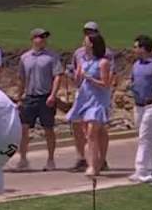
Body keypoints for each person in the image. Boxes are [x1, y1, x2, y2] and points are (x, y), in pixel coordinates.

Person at [64, 31, 113, 177]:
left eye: (85, 41)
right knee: (95, 131)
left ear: (92, 44)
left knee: (92, 131)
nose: (83, 44)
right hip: (85, 99)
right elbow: (78, 82)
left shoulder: (103, 62)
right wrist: (76, 76)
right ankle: (97, 160)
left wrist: (90, 78)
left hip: (98, 100)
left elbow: (105, 84)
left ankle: (93, 165)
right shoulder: (83, 61)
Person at [15, 28, 63, 171]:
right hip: (29, 97)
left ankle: (51, 160)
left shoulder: (52, 56)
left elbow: (58, 76)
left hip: (45, 97)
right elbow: (21, 78)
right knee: (23, 128)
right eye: (40, 37)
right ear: (33, 39)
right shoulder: (25, 58)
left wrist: (53, 95)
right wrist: (19, 97)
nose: (42, 40)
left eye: (44, 37)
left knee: (48, 128)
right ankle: (23, 159)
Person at [67, 22, 102, 172]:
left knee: (95, 130)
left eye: (91, 32)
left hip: (97, 95)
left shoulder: (105, 54)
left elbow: (108, 77)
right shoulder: (78, 54)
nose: (88, 34)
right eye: (86, 32)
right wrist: (74, 76)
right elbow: (76, 73)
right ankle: (83, 157)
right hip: (82, 92)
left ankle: (99, 159)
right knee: (79, 126)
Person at [128, 35, 152, 183]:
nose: (134, 50)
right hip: (138, 105)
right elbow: (133, 80)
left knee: (144, 137)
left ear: (143, 48)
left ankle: (140, 170)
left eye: (136, 47)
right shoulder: (136, 65)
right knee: (149, 138)